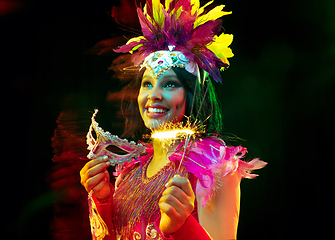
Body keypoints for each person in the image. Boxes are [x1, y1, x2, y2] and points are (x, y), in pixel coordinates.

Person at [80, 1, 267, 239]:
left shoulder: (216, 169)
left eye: (170, 84)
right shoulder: (129, 170)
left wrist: (181, 227)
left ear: (192, 95)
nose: (153, 95)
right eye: (147, 84)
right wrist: (103, 200)